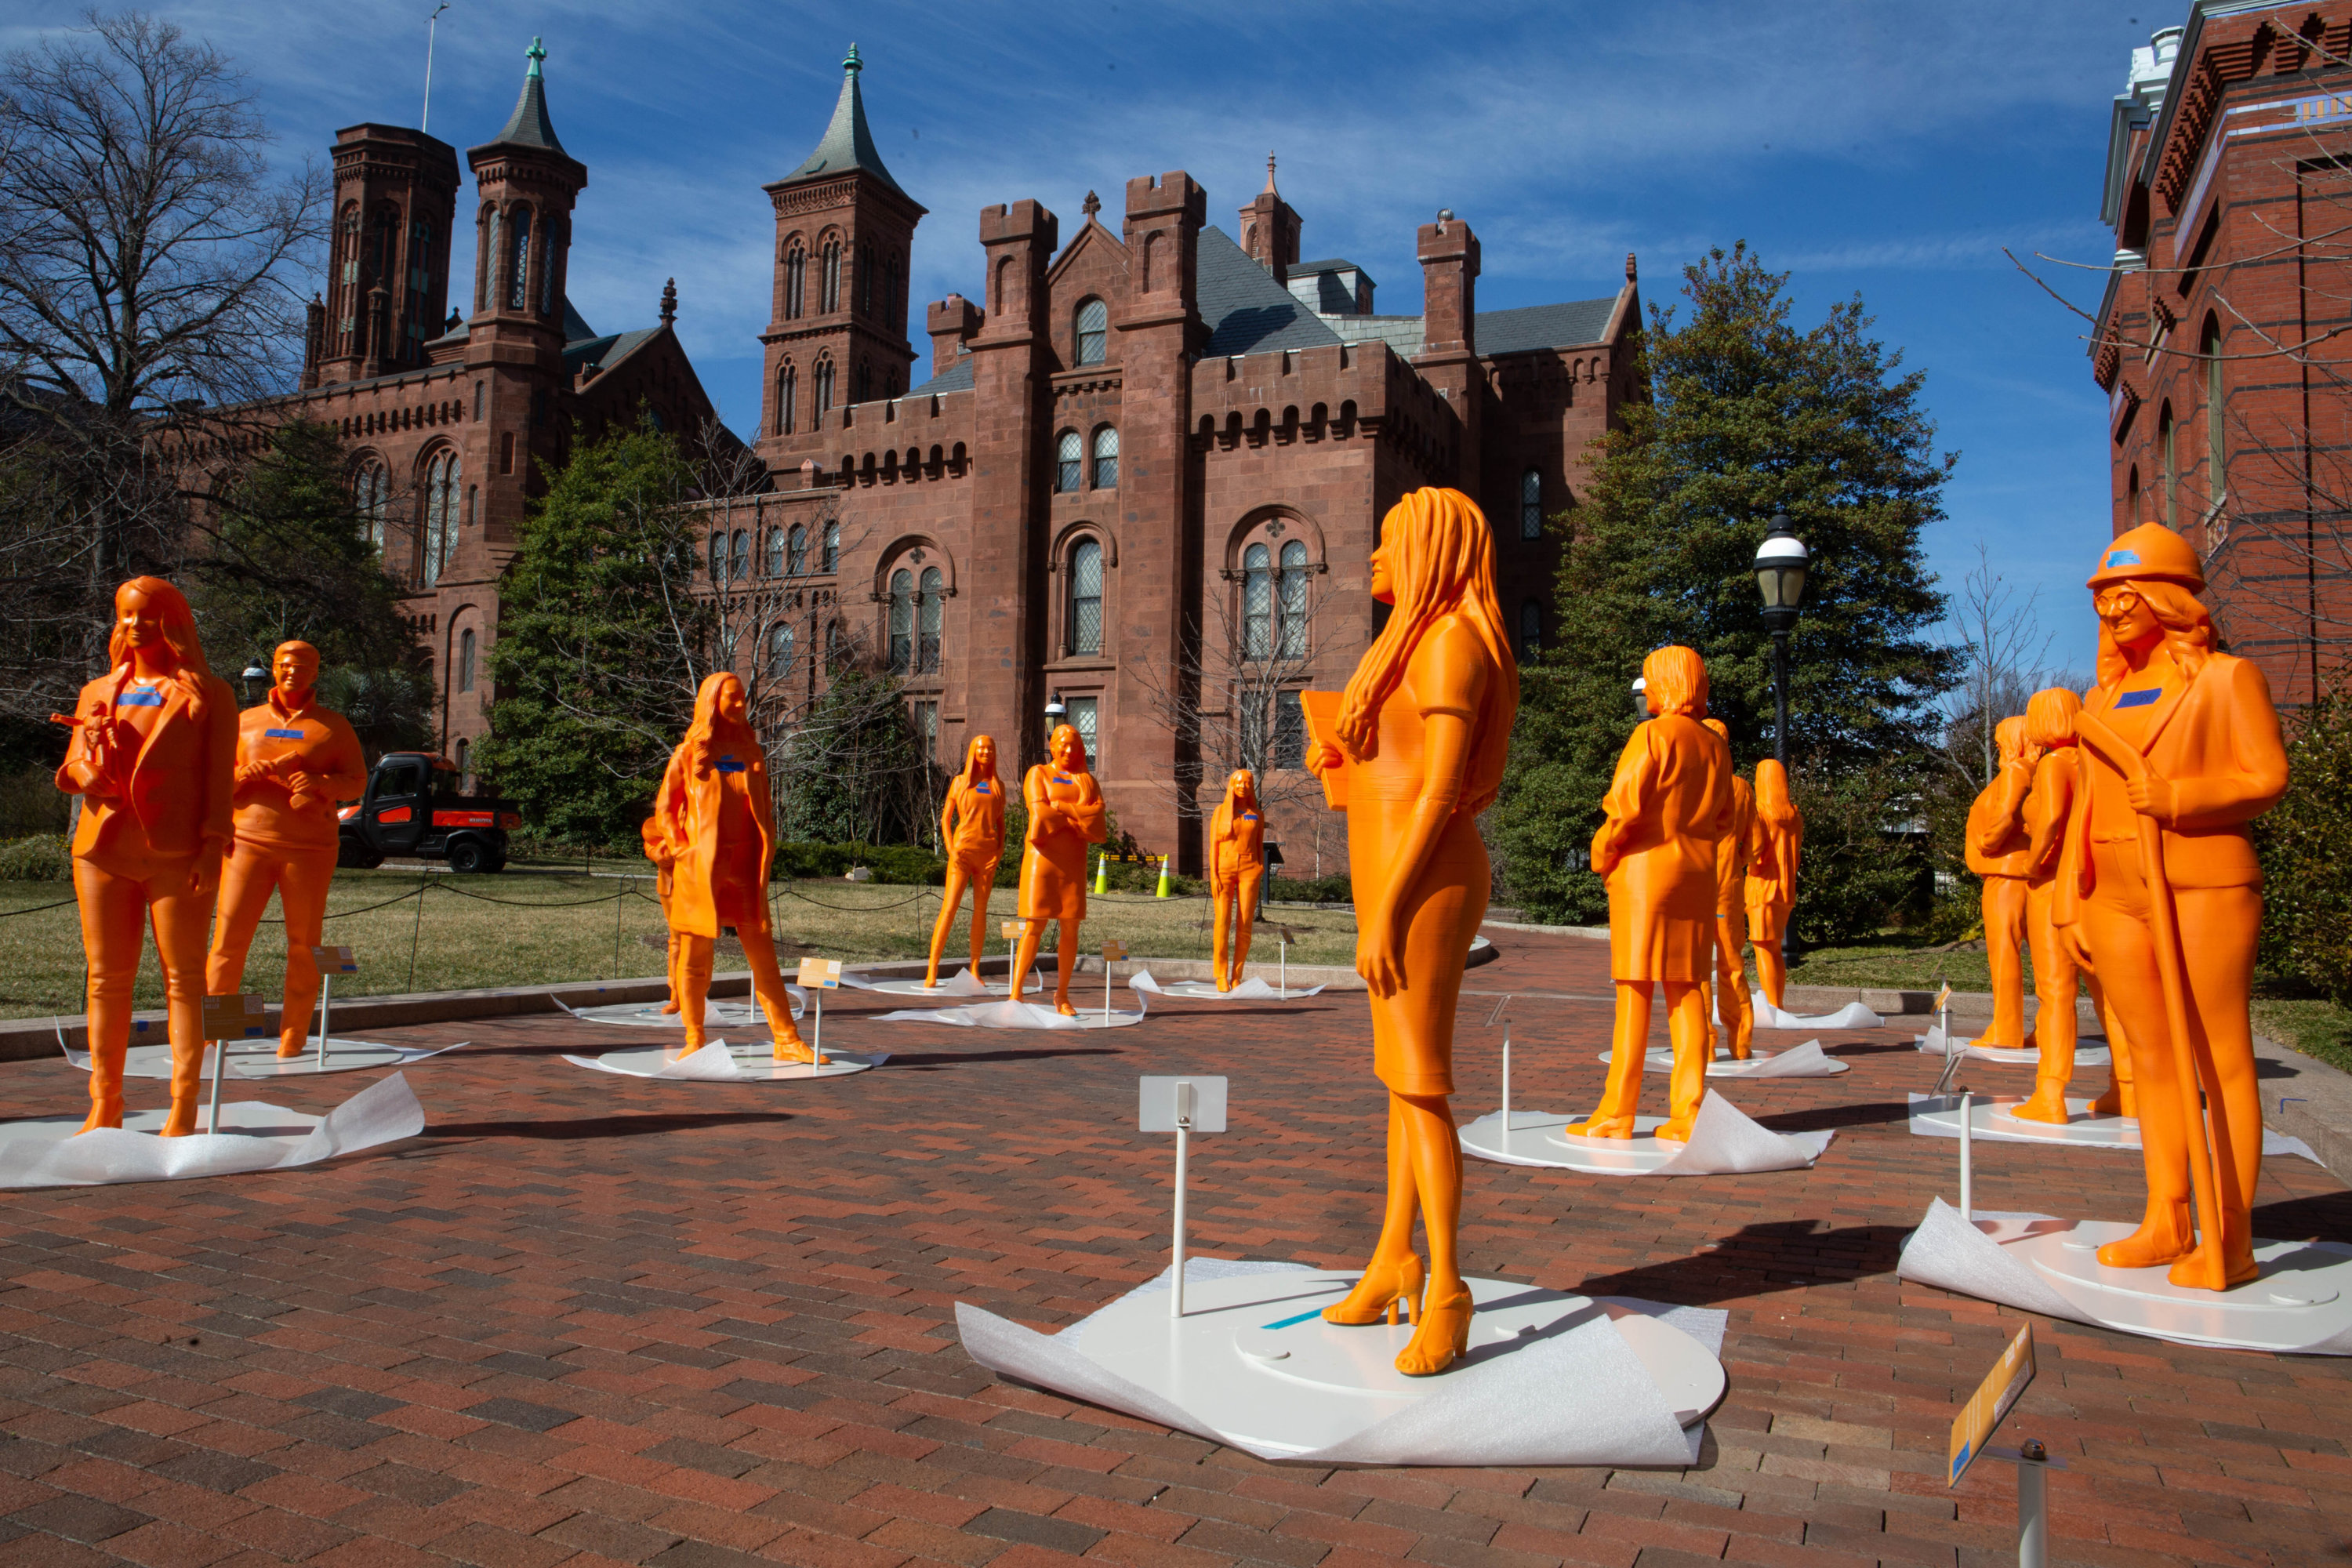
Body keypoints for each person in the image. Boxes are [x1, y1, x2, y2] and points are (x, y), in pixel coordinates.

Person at [1305, 486, 1517, 1377]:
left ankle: (1450, 1291)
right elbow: (1396, 774)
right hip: (1394, 872)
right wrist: (1341, 755)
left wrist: (1388, 906)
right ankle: (1395, 1254)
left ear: (1431, 547)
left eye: (1390, 544)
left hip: (1421, 885)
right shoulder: (1409, 648)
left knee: (1422, 1085)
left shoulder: (1451, 646)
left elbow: (1438, 792)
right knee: (1399, 1079)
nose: (1373, 560)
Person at [2060, 524, 2286, 1290]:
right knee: (2152, 1055)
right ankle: (2167, 1213)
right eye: (2102, 596)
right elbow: (2088, 800)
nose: (2114, 607)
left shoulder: (2227, 680)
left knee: (2218, 1053)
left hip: (2202, 880)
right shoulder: (2106, 696)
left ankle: (2232, 1232)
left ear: (2170, 595)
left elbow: (2266, 775)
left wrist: (2180, 798)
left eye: (2127, 591)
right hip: (2116, 892)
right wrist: (2070, 897)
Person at [53, 578, 238, 1134]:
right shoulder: (96, 691)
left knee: (183, 978)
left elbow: (219, 783)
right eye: (126, 616)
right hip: (102, 848)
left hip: (177, 853)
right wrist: (86, 771)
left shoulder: (209, 694)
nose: (134, 626)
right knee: (106, 979)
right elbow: (72, 765)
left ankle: (184, 1104)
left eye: (146, 616)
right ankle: (104, 1102)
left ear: (172, 622)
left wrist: (212, 847)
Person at [1568, 647, 1733, 1145]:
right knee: (1687, 991)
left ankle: (1618, 1111)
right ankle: (1690, 1112)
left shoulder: (1652, 735)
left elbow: (1625, 807)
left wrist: (1602, 853)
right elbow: (1725, 820)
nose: (1647, 690)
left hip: (1646, 873)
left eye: (1649, 681)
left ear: (1666, 683)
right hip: (1697, 874)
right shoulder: (1716, 747)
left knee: (1634, 992)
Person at [205, 641, 368, 1059]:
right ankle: (214, 1033)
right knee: (228, 940)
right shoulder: (245, 723)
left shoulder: (334, 727)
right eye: (283, 665)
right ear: (273, 670)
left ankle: (293, 1036)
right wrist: (244, 774)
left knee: (304, 942)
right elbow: (214, 778)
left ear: (316, 673)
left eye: (302, 666)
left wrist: (320, 784)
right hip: (247, 842)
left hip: (310, 847)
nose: (291, 672)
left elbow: (356, 782)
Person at [655, 672, 810, 1060]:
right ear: (712, 702)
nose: (741, 705)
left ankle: (787, 1039)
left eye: (744, 698)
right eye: (733, 698)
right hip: (702, 868)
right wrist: (682, 850)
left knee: (763, 955)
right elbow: (666, 810)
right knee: (695, 956)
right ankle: (694, 1037)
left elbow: (765, 810)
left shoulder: (751, 753)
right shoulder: (690, 754)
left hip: (744, 867)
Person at [2014, 685, 2136, 1123]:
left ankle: (2050, 1093)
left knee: (2056, 994)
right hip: (2093, 885)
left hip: (2052, 886)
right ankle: (2128, 1087)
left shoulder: (2053, 765)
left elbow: (2049, 821)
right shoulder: (2094, 761)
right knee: (2108, 993)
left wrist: (2032, 863)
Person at [1010, 724, 1108, 1014]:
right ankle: (1016, 993)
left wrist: (1063, 810)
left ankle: (1062, 996)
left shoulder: (1087, 781)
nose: (1068, 750)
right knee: (1034, 925)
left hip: (1073, 863)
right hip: (1042, 860)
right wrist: (1079, 819)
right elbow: (1039, 814)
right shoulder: (1038, 774)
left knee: (1070, 927)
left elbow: (1098, 820)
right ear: (1052, 746)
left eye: (1074, 745)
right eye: (1062, 744)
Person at [1964, 716, 2039, 1050]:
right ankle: (2046, 1027)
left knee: (2005, 953)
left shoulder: (2016, 773)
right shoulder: (2042, 773)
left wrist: (1987, 842)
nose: (1997, 751)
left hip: (2005, 875)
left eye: (1999, 744)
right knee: (2046, 959)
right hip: (2030, 873)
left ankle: (2007, 1028)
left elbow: (2005, 817)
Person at [924, 735, 1006, 989]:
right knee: (949, 908)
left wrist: (999, 853)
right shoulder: (959, 783)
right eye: (981, 748)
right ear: (973, 751)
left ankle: (975, 968)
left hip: (987, 857)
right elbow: (945, 818)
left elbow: (1002, 825)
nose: (986, 751)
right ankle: (932, 969)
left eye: (991, 748)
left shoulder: (998, 786)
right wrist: (950, 848)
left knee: (980, 912)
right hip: (961, 854)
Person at [1700, 718, 1755, 1058]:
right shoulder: (1741, 787)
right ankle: (1741, 1043)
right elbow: (1754, 844)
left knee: (1697, 968)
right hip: (1729, 884)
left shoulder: (1694, 781)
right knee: (1733, 964)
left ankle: (1702, 1045)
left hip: (1695, 882)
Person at [1744, 760, 1802, 1008]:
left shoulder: (1761, 813)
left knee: (1762, 948)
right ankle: (1777, 1001)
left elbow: (1756, 853)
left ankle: (1773, 1005)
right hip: (1786, 888)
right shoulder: (1794, 815)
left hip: (1763, 886)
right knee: (1776, 948)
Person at [1207, 768, 1268, 992]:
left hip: (1250, 868)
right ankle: (1220, 974)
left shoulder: (1257, 814)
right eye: (1239, 782)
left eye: (1247, 783)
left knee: (1245, 925)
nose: (1243, 786)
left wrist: (1259, 866)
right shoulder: (1221, 812)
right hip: (1225, 866)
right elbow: (1213, 844)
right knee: (1222, 921)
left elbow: (1259, 842)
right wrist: (1213, 874)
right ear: (1232, 785)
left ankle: (1237, 975)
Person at [640, 800, 682, 1014]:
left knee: (700, 943)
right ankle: (676, 995)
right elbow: (651, 837)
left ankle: (696, 994)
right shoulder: (658, 821)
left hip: (698, 884)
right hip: (672, 887)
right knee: (676, 942)